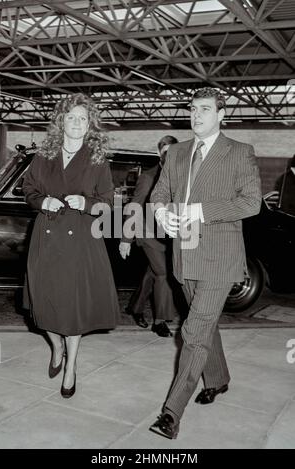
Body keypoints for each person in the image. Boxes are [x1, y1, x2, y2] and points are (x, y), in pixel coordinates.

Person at [149, 87, 262, 439]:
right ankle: (218, 379)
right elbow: (158, 195)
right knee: (206, 324)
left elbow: (251, 203)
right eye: (193, 109)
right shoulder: (177, 153)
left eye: (205, 110)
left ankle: (171, 412)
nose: (197, 115)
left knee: (194, 331)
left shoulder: (239, 153)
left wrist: (200, 211)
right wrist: (161, 212)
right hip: (184, 255)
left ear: (221, 114)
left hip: (219, 258)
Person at [23, 93, 119, 398]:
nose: (77, 123)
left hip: (80, 241)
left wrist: (87, 203)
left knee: (73, 307)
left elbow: (107, 204)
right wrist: (42, 201)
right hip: (47, 237)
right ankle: (56, 346)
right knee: (43, 302)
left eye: (83, 118)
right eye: (71, 117)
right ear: (61, 121)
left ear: (89, 124)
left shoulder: (97, 159)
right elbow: (28, 188)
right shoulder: (44, 155)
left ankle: (71, 367)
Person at [119, 135, 178, 337]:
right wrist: (126, 239)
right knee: (164, 273)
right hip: (146, 233)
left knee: (152, 273)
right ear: (158, 153)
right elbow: (134, 207)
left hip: (166, 234)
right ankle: (159, 322)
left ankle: (134, 307)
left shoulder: (179, 176)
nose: (170, 156)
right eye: (166, 152)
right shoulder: (149, 177)